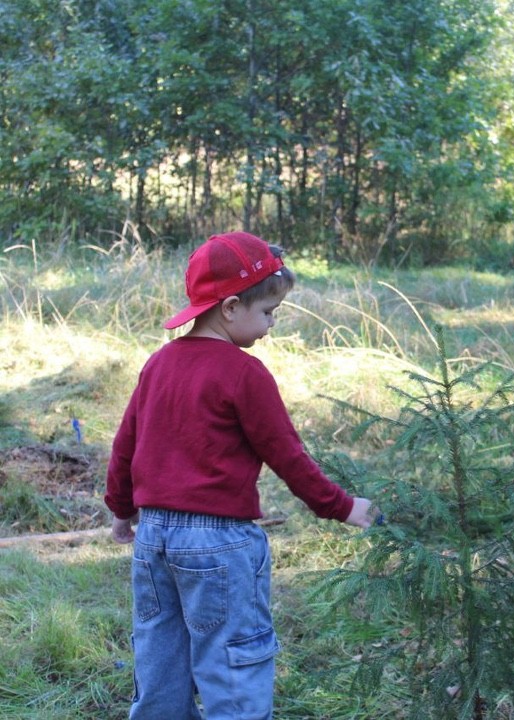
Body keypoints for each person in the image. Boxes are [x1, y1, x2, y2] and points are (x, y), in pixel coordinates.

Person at [105, 231, 379, 720]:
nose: (271, 325)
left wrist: (122, 510)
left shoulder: (158, 363)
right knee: (232, 662)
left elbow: (126, 444)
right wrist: (340, 506)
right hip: (219, 544)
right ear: (230, 308)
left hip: (154, 539)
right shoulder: (245, 373)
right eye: (268, 312)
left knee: (160, 656)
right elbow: (287, 454)